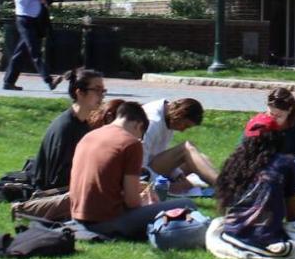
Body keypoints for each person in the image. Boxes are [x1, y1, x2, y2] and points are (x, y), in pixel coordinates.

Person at [67, 101, 197, 241]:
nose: (139, 140)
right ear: (138, 126)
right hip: (107, 222)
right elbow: (132, 202)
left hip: (78, 216)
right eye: (140, 136)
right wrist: (145, 201)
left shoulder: (89, 137)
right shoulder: (131, 143)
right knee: (188, 204)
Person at [208, 129, 295, 259]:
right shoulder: (284, 164)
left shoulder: (234, 163)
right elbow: (292, 217)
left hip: (232, 237)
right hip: (267, 243)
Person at [23, 69, 107, 191]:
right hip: (53, 194)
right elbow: (56, 180)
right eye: (97, 90)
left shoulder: (82, 123)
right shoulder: (66, 127)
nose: (102, 95)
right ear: (80, 93)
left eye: (103, 91)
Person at [140, 98, 220, 195]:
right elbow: (139, 167)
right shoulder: (153, 121)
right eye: (185, 125)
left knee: (202, 159)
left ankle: (222, 184)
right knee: (186, 148)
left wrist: (176, 174)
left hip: (152, 166)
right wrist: (167, 185)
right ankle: (223, 187)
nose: (183, 130)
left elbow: (159, 152)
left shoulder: (168, 116)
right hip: (143, 171)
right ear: (179, 115)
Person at [3, 0, 57, 91]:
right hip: (24, 20)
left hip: (35, 21)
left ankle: (8, 82)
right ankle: (49, 80)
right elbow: (21, 3)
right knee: (35, 51)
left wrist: (44, 0)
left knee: (20, 53)